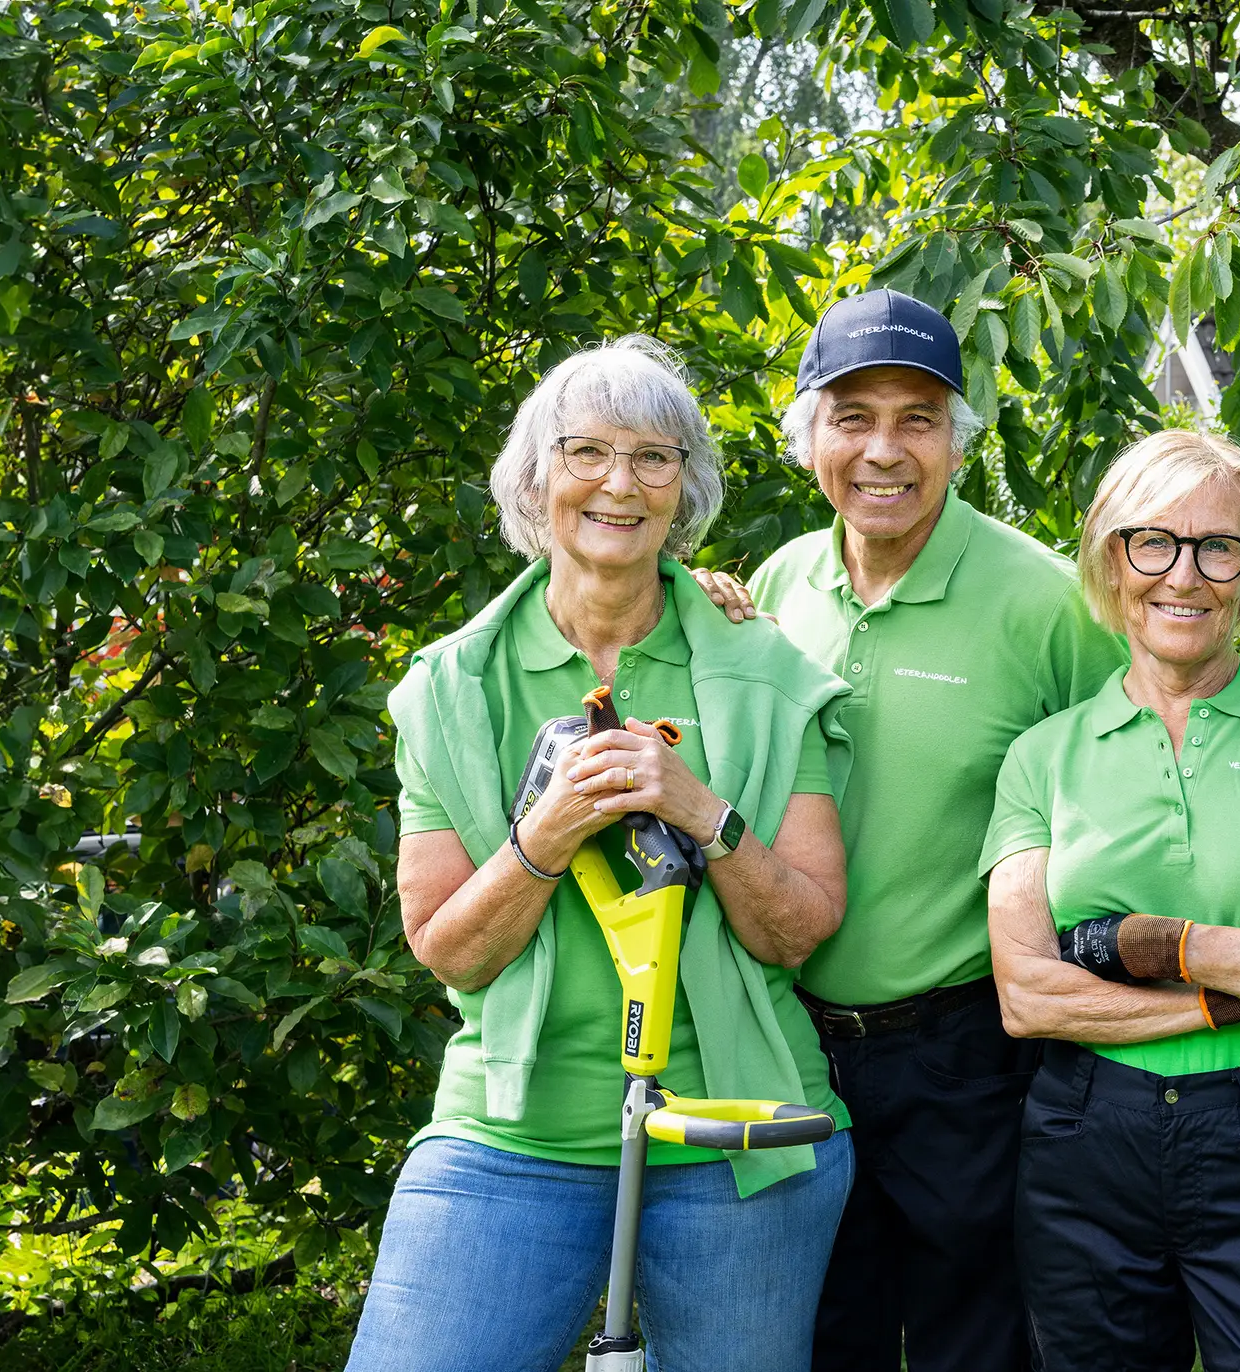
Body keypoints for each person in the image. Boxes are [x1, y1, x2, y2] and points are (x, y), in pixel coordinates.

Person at [351, 337, 856, 1372]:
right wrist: (544, 833)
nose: (619, 483)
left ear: (685, 488)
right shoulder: (451, 687)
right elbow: (450, 950)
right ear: (534, 478)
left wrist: (699, 810)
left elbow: (798, 930)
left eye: (653, 457)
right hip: (514, 1136)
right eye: (585, 451)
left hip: (736, 1133)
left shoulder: (764, 671)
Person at [693, 288, 1128, 1372]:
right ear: (807, 440)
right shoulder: (777, 587)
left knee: (971, 1347)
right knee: (816, 1338)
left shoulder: (1048, 604)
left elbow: (1130, 797)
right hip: (790, 1044)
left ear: (956, 441)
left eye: (916, 419)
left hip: (969, 1057)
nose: (883, 451)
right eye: (852, 418)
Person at [984, 429, 1240, 1372]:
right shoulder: (1042, 757)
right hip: (1085, 1137)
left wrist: (1154, 944)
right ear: (1112, 560)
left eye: (1218, 547)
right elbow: (1029, 995)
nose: (1184, 575)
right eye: (1153, 543)